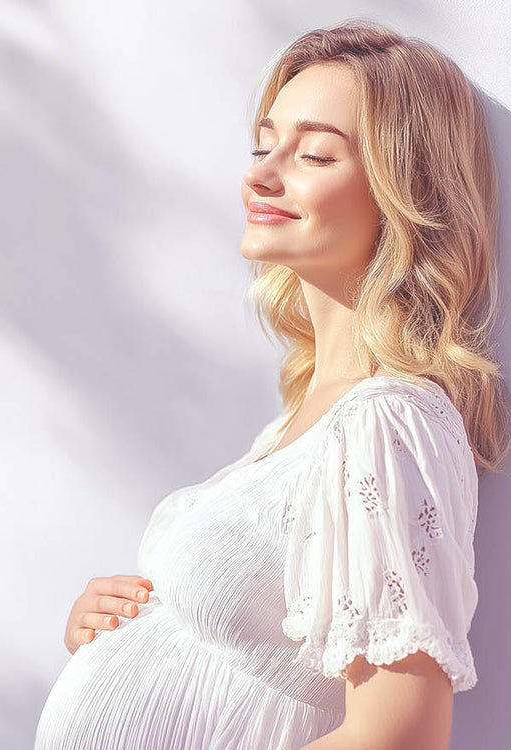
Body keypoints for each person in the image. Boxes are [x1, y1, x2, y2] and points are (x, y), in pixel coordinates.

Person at [34, 17, 510, 750]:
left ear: (402, 189)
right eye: (264, 145)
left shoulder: (387, 423)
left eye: (314, 154)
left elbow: (399, 735)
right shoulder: (312, 416)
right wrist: (121, 630)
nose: (261, 172)